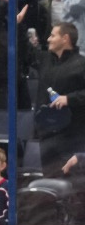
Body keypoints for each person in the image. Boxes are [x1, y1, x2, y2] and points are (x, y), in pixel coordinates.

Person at [31, 22, 85, 178]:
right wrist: (18, 26)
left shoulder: (82, 64)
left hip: (73, 135)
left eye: (53, 35)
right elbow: (25, 52)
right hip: (46, 135)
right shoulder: (45, 60)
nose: (48, 39)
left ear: (65, 38)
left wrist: (69, 98)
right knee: (50, 186)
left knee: (72, 187)